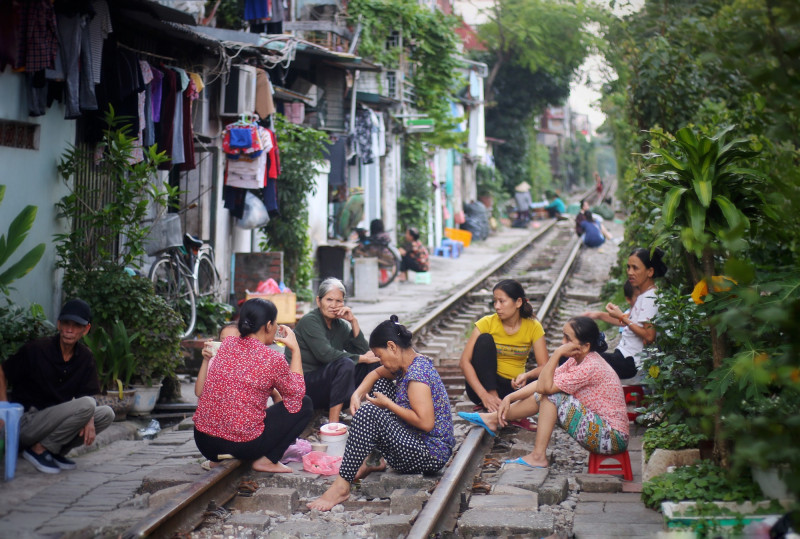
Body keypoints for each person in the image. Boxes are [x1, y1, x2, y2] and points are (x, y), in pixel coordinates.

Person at [307, 315, 455, 511]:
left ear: (392, 347)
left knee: (369, 412)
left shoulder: (417, 377)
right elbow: (376, 373)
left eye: (380, 355)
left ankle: (342, 486)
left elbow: (426, 423)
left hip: (430, 454)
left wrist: (387, 405)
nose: (380, 361)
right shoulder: (408, 363)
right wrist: (358, 393)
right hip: (417, 441)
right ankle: (374, 460)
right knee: (380, 384)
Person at [458, 317, 629, 467]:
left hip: (612, 438)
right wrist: (509, 397)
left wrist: (556, 355)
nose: (563, 343)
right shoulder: (577, 360)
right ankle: (494, 419)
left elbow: (544, 388)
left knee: (552, 396)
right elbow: (543, 382)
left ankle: (538, 456)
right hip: (601, 429)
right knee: (548, 394)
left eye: (567, 339)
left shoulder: (589, 366)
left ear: (585, 347)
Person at [193, 298, 312, 473]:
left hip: (205, 443)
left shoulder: (227, 345)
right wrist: (295, 350)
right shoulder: (273, 359)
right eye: (276, 322)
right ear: (269, 325)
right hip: (242, 445)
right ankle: (267, 460)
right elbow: (296, 395)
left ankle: (221, 458)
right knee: (305, 404)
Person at [0, 299, 115, 474]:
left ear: (86, 330)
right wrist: (2, 407)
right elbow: (2, 371)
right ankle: (38, 450)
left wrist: (89, 419)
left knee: (106, 414)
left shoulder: (85, 357)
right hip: (27, 422)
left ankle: (49, 449)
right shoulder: (37, 349)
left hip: (54, 421)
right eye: (66, 323)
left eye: (76, 325)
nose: (70, 330)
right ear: (58, 324)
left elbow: (89, 395)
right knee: (88, 406)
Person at [287, 278, 380, 425]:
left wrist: (353, 322)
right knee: (345, 365)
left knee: (374, 364)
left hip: (327, 383)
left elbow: (364, 352)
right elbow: (325, 355)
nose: (334, 305)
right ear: (319, 301)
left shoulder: (340, 325)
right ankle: (333, 424)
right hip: (305, 385)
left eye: (339, 301)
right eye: (329, 300)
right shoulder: (310, 321)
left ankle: (363, 411)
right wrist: (362, 358)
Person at [459, 279, 549, 413]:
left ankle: (508, 408)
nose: (497, 306)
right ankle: (493, 398)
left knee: (548, 381)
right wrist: (485, 395)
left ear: (518, 302)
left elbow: (545, 366)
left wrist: (526, 376)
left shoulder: (533, 326)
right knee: (485, 340)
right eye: (495, 301)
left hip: (514, 389)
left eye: (502, 301)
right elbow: (464, 362)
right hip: (483, 389)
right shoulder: (487, 323)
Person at [600, 247, 667, 379]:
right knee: (578, 356)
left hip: (630, 362)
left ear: (650, 271)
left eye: (635, 268)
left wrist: (622, 318)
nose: (630, 272)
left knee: (576, 359)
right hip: (624, 356)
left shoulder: (650, 297)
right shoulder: (645, 294)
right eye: (628, 267)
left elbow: (649, 336)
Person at [195, 323, 240, 397]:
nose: (227, 344)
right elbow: (199, 392)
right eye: (223, 340)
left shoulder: (247, 365)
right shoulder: (213, 361)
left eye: (233, 341)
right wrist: (206, 360)